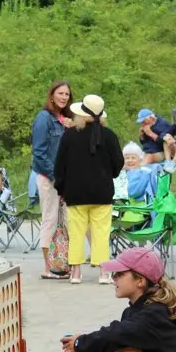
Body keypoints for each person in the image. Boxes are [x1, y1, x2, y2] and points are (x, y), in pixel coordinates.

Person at [54, 94, 124, 285]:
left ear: (81, 114)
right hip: (102, 192)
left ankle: (76, 273)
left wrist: (61, 187)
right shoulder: (109, 135)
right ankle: (103, 272)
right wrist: (110, 173)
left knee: (76, 233)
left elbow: (60, 166)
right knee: (101, 233)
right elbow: (118, 162)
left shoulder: (69, 135)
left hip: (75, 193)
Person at [31, 80, 74, 279]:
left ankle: (62, 263)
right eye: (60, 93)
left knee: (64, 222)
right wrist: (56, 177)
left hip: (64, 177)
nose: (64, 97)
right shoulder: (44, 118)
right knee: (49, 219)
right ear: (52, 95)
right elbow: (39, 152)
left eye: (67, 94)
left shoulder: (65, 119)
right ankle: (48, 268)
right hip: (49, 177)